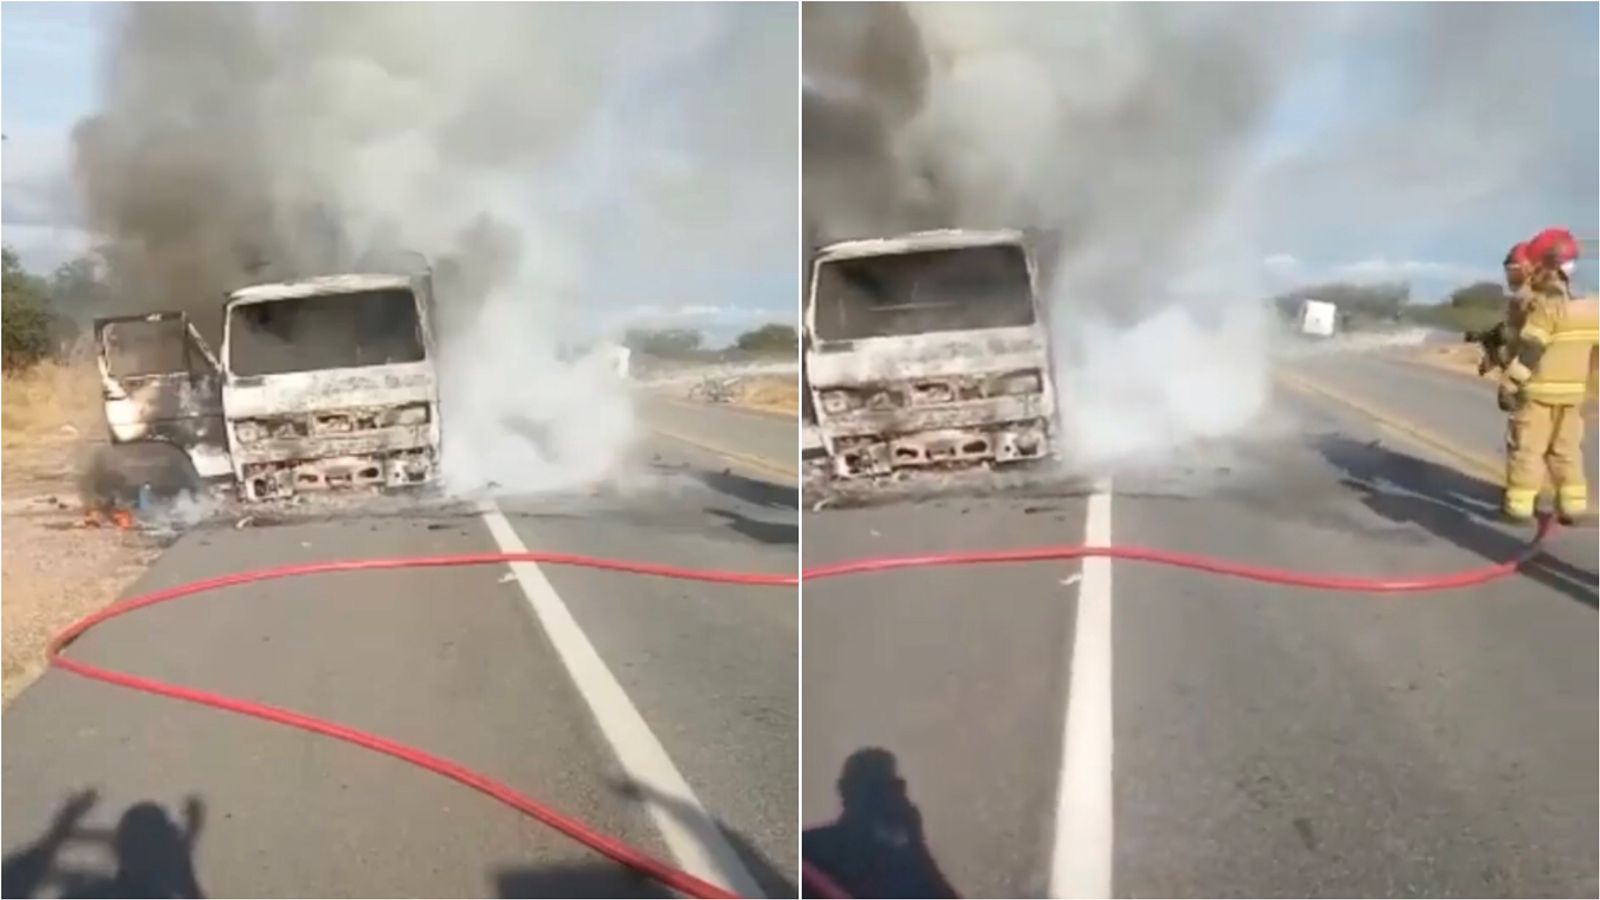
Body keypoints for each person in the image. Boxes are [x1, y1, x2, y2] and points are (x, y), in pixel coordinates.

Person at [1498, 226, 1599, 524]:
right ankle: (1572, 506)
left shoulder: (1547, 305)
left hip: (1538, 392)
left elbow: (1532, 347)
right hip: (1573, 395)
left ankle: (1518, 508)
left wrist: (1510, 383)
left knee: (1528, 449)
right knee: (1567, 450)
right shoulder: (1592, 307)